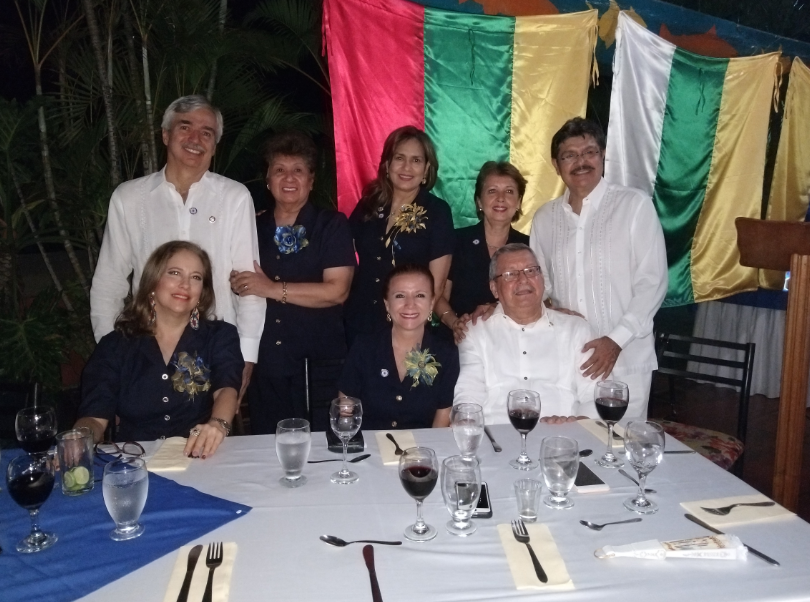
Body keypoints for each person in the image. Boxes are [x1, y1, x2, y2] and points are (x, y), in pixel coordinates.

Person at [90, 94, 264, 402]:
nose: (196, 138)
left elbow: (248, 282)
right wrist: (112, 354)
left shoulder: (235, 197)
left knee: (214, 442)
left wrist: (247, 354)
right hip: (146, 347)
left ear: (215, 144)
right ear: (166, 134)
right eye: (185, 127)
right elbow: (110, 281)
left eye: (207, 132)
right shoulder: (130, 198)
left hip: (216, 348)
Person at [529, 117, 668, 419]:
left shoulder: (634, 206)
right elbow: (543, 287)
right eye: (570, 155)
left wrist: (615, 341)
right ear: (556, 164)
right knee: (569, 449)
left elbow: (653, 284)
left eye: (589, 152)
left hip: (626, 361)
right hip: (569, 363)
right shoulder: (544, 218)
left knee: (620, 453)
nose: (581, 162)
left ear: (603, 155)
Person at [229, 131, 355, 434]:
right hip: (267, 362)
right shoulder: (251, 226)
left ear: (311, 180)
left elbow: (337, 290)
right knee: (267, 445)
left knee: (325, 447)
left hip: (320, 360)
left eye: (298, 170)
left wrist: (271, 288)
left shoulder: (331, 225)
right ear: (268, 180)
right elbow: (235, 278)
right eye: (279, 170)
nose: (289, 178)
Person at [78, 241, 243, 458]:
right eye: (174, 273)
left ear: (202, 292)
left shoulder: (220, 335)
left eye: (196, 277)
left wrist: (217, 424)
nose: (185, 284)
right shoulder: (116, 345)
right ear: (153, 282)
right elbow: (95, 416)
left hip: (201, 456)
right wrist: (77, 440)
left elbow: (226, 388)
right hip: (134, 462)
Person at [453, 244, 597, 426]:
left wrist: (577, 423)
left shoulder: (575, 328)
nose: (523, 279)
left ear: (542, 279)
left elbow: (596, 393)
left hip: (561, 439)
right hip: (497, 440)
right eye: (510, 274)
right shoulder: (475, 331)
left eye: (531, 270)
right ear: (494, 289)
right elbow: (469, 393)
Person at [344, 126, 455, 346]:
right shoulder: (370, 203)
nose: (406, 167)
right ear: (387, 164)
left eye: (416, 160)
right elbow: (339, 244)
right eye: (399, 158)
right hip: (359, 318)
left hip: (407, 323)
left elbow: (437, 284)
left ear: (426, 169)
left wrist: (413, 324)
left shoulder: (437, 211)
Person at [339, 263, 458, 430]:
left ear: (432, 303)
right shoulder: (364, 348)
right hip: (369, 451)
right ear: (387, 304)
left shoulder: (447, 354)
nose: (410, 304)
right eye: (400, 296)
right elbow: (345, 412)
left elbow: (441, 426)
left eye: (420, 295)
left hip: (423, 451)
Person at [433, 161, 529, 341]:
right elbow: (437, 295)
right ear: (479, 201)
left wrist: (498, 309)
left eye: (509, 191)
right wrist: (454, 322)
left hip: (514, 343)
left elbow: (536, 301)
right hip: (459, 341)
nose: (501, 198)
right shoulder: (456, 240)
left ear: (519, 202)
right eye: (492, 191)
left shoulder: (528, 246)